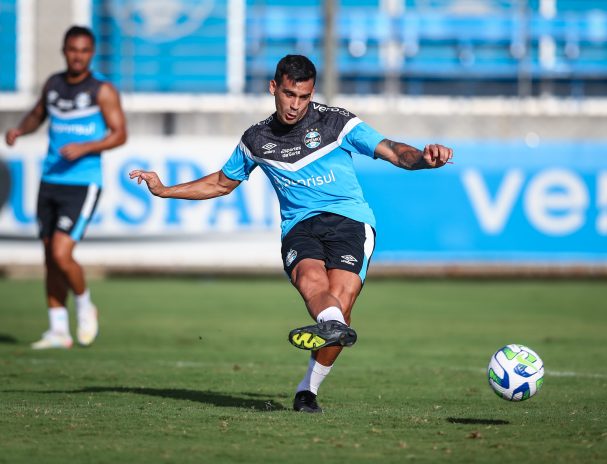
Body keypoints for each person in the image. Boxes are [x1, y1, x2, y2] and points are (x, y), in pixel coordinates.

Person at [129, 55, 451, 412]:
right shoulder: (256, 139)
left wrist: (424, 158)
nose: (295, 105)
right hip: (299, 226)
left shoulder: (337, 123)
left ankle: (307, 389)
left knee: (340, 304)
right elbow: (221, 183)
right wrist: (165, 190)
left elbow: (392, 150)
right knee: (314, 285)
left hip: (349, 221)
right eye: (289, 94)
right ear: (273, 88)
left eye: (304, 97)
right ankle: (330, 326)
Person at [5, 26, 127, 349]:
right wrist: (19, 130)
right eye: (73, 49)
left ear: (92, 53)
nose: (78, 55)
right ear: (64, 50)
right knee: (49, 256)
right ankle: (58, 329)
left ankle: (85, 305)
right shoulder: (54, 85)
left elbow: (119, 134)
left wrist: (85, 147)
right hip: (50, 180)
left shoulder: (102, 90)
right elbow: (37, 114)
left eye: (84, 50)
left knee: (62, 252)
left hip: (83, 183)